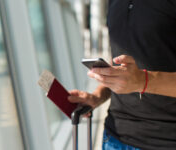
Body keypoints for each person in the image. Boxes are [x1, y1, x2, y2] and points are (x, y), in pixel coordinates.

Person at [68, 0, 176, 150]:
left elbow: (136, 78)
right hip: (114, 136)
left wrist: (144, 81)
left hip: (165, 141)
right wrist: (98, 96)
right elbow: (125, 70)